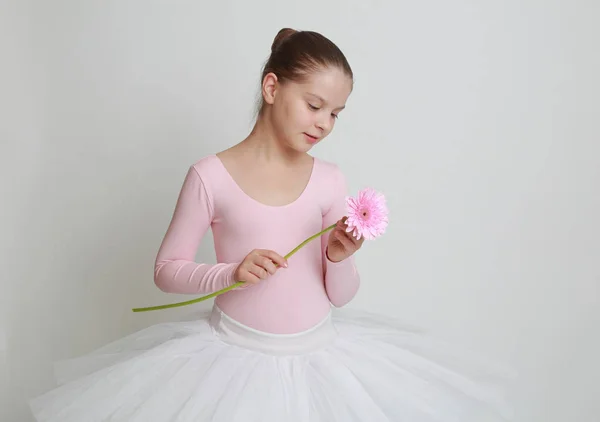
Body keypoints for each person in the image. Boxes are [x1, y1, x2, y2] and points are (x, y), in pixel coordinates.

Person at [29, 28, 514, 422]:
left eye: (336, 114)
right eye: (314, 104)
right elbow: (166, 268)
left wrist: (337, 259)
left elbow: (339, 296)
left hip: (323, 359)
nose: (324, 123)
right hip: (233, 361)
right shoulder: (210, 176)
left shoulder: (329, 180)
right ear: (272, 87)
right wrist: (230, 272)